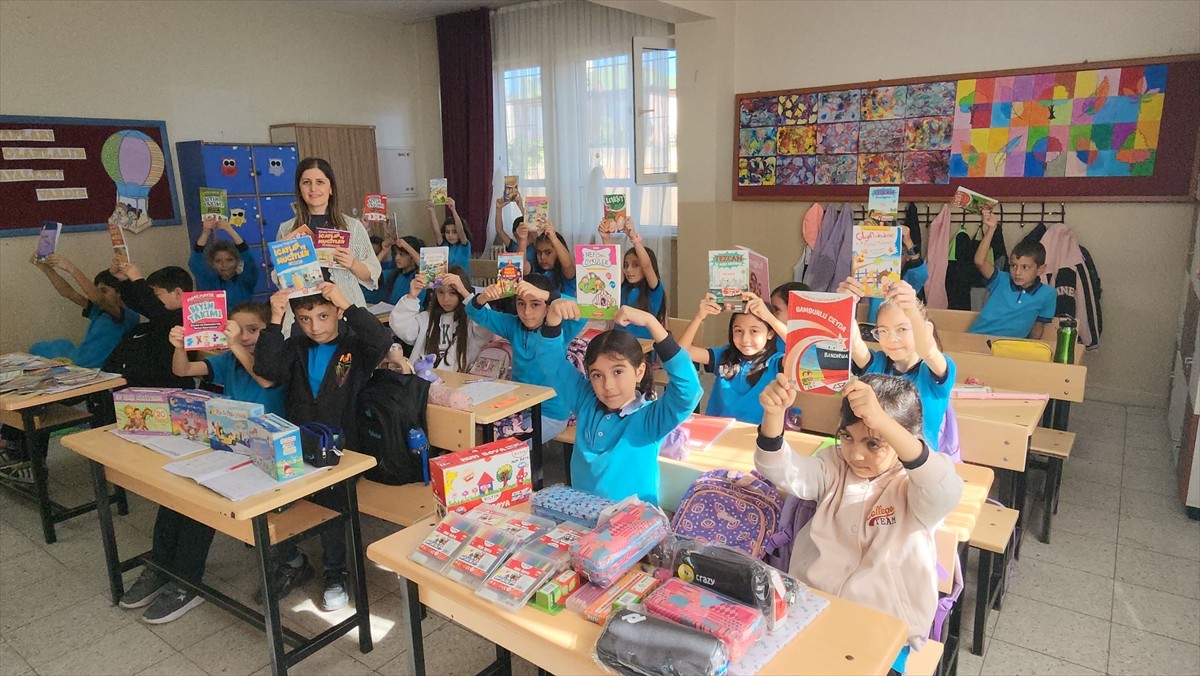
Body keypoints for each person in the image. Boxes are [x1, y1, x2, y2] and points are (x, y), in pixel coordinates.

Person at [755, 373, 963, 673]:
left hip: (883, 631)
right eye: (847, 437)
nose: (855, 453)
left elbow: (944, 490)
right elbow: (780, 469)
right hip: (811, 611)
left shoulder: (915, 487)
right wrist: (774, 415)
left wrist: (884, 423)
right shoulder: (834, 464)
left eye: (874, 443)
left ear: (902, 438)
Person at [252, 282, 392, 611]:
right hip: (299, 443)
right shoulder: (295, 346)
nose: (315, 327)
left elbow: (381, 339)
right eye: (304, 319)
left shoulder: (354, 347)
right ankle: (293, 562)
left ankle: (335, 571)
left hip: (343, 449)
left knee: (333, 505)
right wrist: (275, 319)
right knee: (277, 501)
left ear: (337, 313)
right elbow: (266, 369)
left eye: (323, 316)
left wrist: (348, 304)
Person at [542, 304, 702, 504]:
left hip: (634, 520)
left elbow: (689, 390)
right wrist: (552, 319)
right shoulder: (585, 400)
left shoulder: (650, 419)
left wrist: (651, 323)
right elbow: (551, 362)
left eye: (618, 371)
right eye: (597, 375)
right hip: (582, 515)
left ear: (639, 372)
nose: (608, 385)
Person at [465, 276, 586, 443]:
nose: (527, 312)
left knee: (511, 447)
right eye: (521, 303)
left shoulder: (560, 328)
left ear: (548, 306)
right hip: (518, 407)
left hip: (551, 414)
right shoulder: (512, 324)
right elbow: (472, 311)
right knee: (478, 436)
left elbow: (585, 308)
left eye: (535, 304)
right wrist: (484, 297)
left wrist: (546, 295)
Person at [841, 278, 955, 453]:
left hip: (917, 463)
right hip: (874, 459)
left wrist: (912, 312)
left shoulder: (933, 371)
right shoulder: (877, 365)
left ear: (926, 329)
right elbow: (854, 343)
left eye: (902, 329)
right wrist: (844, 304)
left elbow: (928, 351)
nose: (891, 339)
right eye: (883, 331)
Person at [276, 158, 381, 326]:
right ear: (299, 189)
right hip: (303, 316)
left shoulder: (352, 226)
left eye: (320, 182)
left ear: (331, 188)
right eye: (306, 182)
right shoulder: (287, 229)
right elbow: (280, 279)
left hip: (345, 312)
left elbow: (372, 273)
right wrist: (285, 258)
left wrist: (352, 263)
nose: (313, 189)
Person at [678, 292, 786, 425]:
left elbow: (803, 353)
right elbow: (681, 352)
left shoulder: (776, 363)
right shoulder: (724, 355)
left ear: (770, 333)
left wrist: (770, 318)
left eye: (754, 331)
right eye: (738, 331)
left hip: (754, 434)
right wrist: (699, 317)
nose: (745, 339)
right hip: (716, 430)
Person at [168, 301, 285, 415]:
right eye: (237, 331)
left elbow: (265, 380)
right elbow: (183, 370)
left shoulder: (281, 356)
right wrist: (180, 348)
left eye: (253, 330)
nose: (244, 337)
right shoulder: (229, 359)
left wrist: (234, 344)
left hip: (271, 426)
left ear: (268, 331)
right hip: (234, 425)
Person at [27, 253, 140, 368]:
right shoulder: (99, 311)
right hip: (78, 356)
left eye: (104, 291)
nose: (99, 294)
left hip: (90, 365)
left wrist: (70, 268)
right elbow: (69, 293)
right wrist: (46, 269)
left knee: (46, 350)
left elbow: (98, 298)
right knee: (46, 346)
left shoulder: (129, 315)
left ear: (119, 293)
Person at [969, 209, 1056, 338]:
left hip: (1011, 346)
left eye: (1025, 267)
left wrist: (1032, 348)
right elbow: (979, 261)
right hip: (978, 338)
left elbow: (1038, 326)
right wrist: (991, 229)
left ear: (1041, 269)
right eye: (1013, 265)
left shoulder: (1048, 294)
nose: (1017, 272)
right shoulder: (1001, 280)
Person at [389, 266, 493, 372]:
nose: (445, 299)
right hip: (423, 379)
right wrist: (412, 296)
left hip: (457, 380)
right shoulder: (426, 318)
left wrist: (464, 291)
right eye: (440, 292)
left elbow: (488, 324)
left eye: (452, 293)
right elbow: (402, 327)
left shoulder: (471, 321)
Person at [599, 218, 665, 340]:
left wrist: (634, 237)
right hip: (618, 342)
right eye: (626, 265)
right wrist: (606, 239)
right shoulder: (623, 287)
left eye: (635, 265)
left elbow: (647, 266)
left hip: (642, 346)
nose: (628, 270)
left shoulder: (653, 290)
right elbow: (613, 267)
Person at [189, 214, 259, 308]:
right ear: (212, 263)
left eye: (229, 260)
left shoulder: (246, 281)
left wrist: (230, 231)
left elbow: (249, 260)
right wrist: (205, 233)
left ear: (237, 261)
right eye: (218, 261)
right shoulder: (208, 282)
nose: (224, 265)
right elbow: (196, 264)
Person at [865, 225, 928, 323]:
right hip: (875, 327)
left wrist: (908, 242)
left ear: (908, 257)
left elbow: (921, 274)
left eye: (901, 253)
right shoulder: (873, 275)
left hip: (900, 328)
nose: (895, 257)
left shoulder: (908, 279)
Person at [370, 235, 424, 306]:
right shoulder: (394, 274)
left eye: (402, 254)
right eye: (396, 254)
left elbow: (426, 267)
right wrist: (383, 252)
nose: (397, 258)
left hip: (413, 312)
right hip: (393, 311)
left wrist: (407, 247)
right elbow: (369, 273)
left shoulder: (419, 276)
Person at [428, 196, 471, 271]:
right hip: (447, 277)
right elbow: (436, 232)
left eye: (454, 232)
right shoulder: (444, 245)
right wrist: (432, 211)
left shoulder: (464, 245)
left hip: (461, 278)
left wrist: (453, 210)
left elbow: (460, 230)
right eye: (447, 232)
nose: (450, 235)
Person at [769, 281, 810, 352]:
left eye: (776, 310)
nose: (771, 313)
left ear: (795, 313)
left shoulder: (813, 341)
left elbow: (797, 347)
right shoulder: (771, 337)